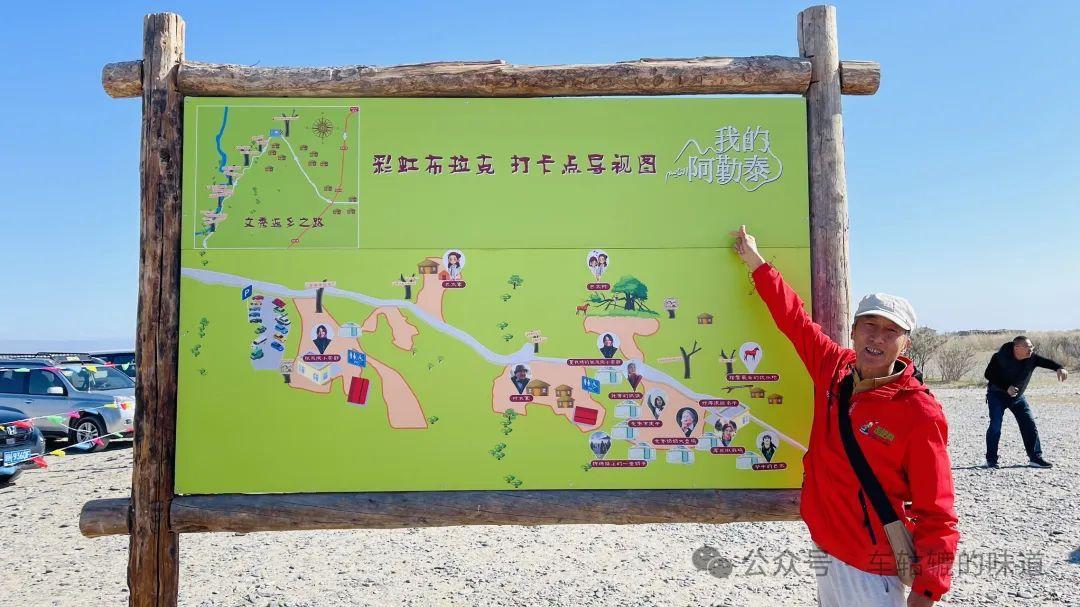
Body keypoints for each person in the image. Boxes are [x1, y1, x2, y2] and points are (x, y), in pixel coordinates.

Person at [731, 225, 958, 606]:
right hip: (826, 547)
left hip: (872, 568)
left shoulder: (919, 411)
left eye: (891, 331)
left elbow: (937, 510)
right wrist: (756, 263)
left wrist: (928, 590)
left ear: (905, 343)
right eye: (870, 325)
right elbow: (795, 321)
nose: (877, 337)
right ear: (853, 331)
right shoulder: (835, 369)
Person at [983, 336, 1068, 468]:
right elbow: (988, 374)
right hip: (997, 395)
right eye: (1028, 347)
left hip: (1017, 398)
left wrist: (1059, 367)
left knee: (1029, 424)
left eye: (1032, 347)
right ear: (1017, 348)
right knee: (995, 426)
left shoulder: (1032, 358)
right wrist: (1006, 387)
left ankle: (1035, 458)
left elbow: (1046, 362)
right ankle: (991, 460)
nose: (1031, 349)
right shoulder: (999, 357)